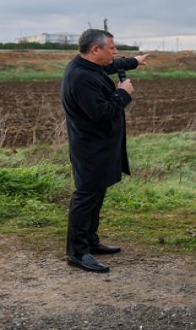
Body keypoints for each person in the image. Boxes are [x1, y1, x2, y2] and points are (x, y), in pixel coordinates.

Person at [61, 28, 148, 273]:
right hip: (90, 148)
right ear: (96, 49)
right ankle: (77, 253)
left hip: (100, 146)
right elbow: (100, 113)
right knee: (86, 197)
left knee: (96, 193)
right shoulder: (80, 77)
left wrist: (135, 62)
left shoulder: (89, 66)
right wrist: (123, 93)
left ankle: (90, 241)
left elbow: (110, 66)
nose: (116, 51)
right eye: (112, 48)